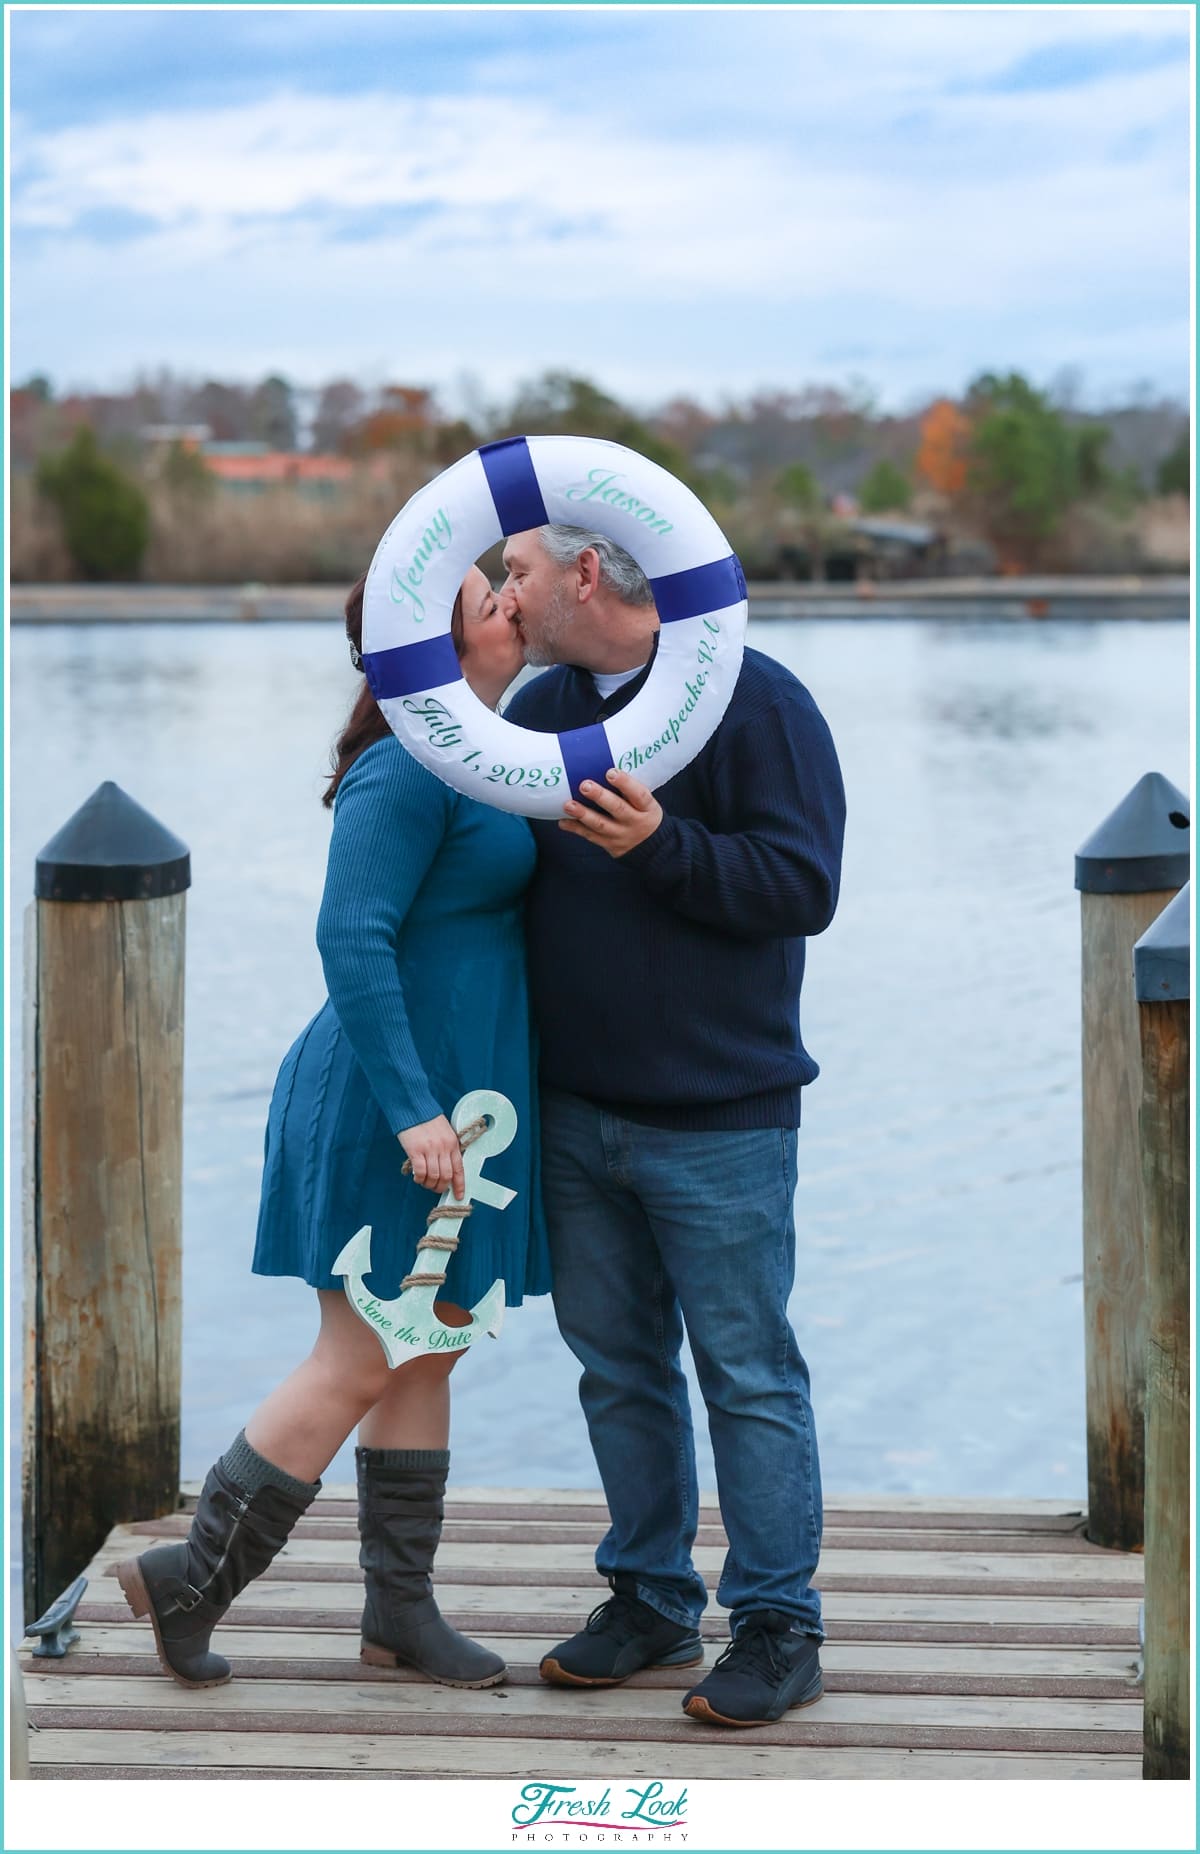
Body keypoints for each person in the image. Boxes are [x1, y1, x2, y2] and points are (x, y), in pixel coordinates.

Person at [116, 566, 549, 1692]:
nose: (506, 594)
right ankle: (190, 1582)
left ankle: (398, 1617)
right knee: (360, 1354)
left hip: (467, 1113)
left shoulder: (487, 757)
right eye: (479, 590)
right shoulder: (403, 767)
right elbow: (351, 940)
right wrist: (414, 1112)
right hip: (386, 1102)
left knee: (433, 1344)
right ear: (429, 638)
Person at [501, 523, 846, 1728]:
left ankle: (777, 1627)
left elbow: (804, 888)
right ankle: (650, 1598)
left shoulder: (756, 699)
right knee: (618, 1372)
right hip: (576, 1112)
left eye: (519, 574)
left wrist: (663, 847)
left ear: (584, 575)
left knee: (748, 1375)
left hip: (722, 1118)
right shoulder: (538, 710)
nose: (507, 594)